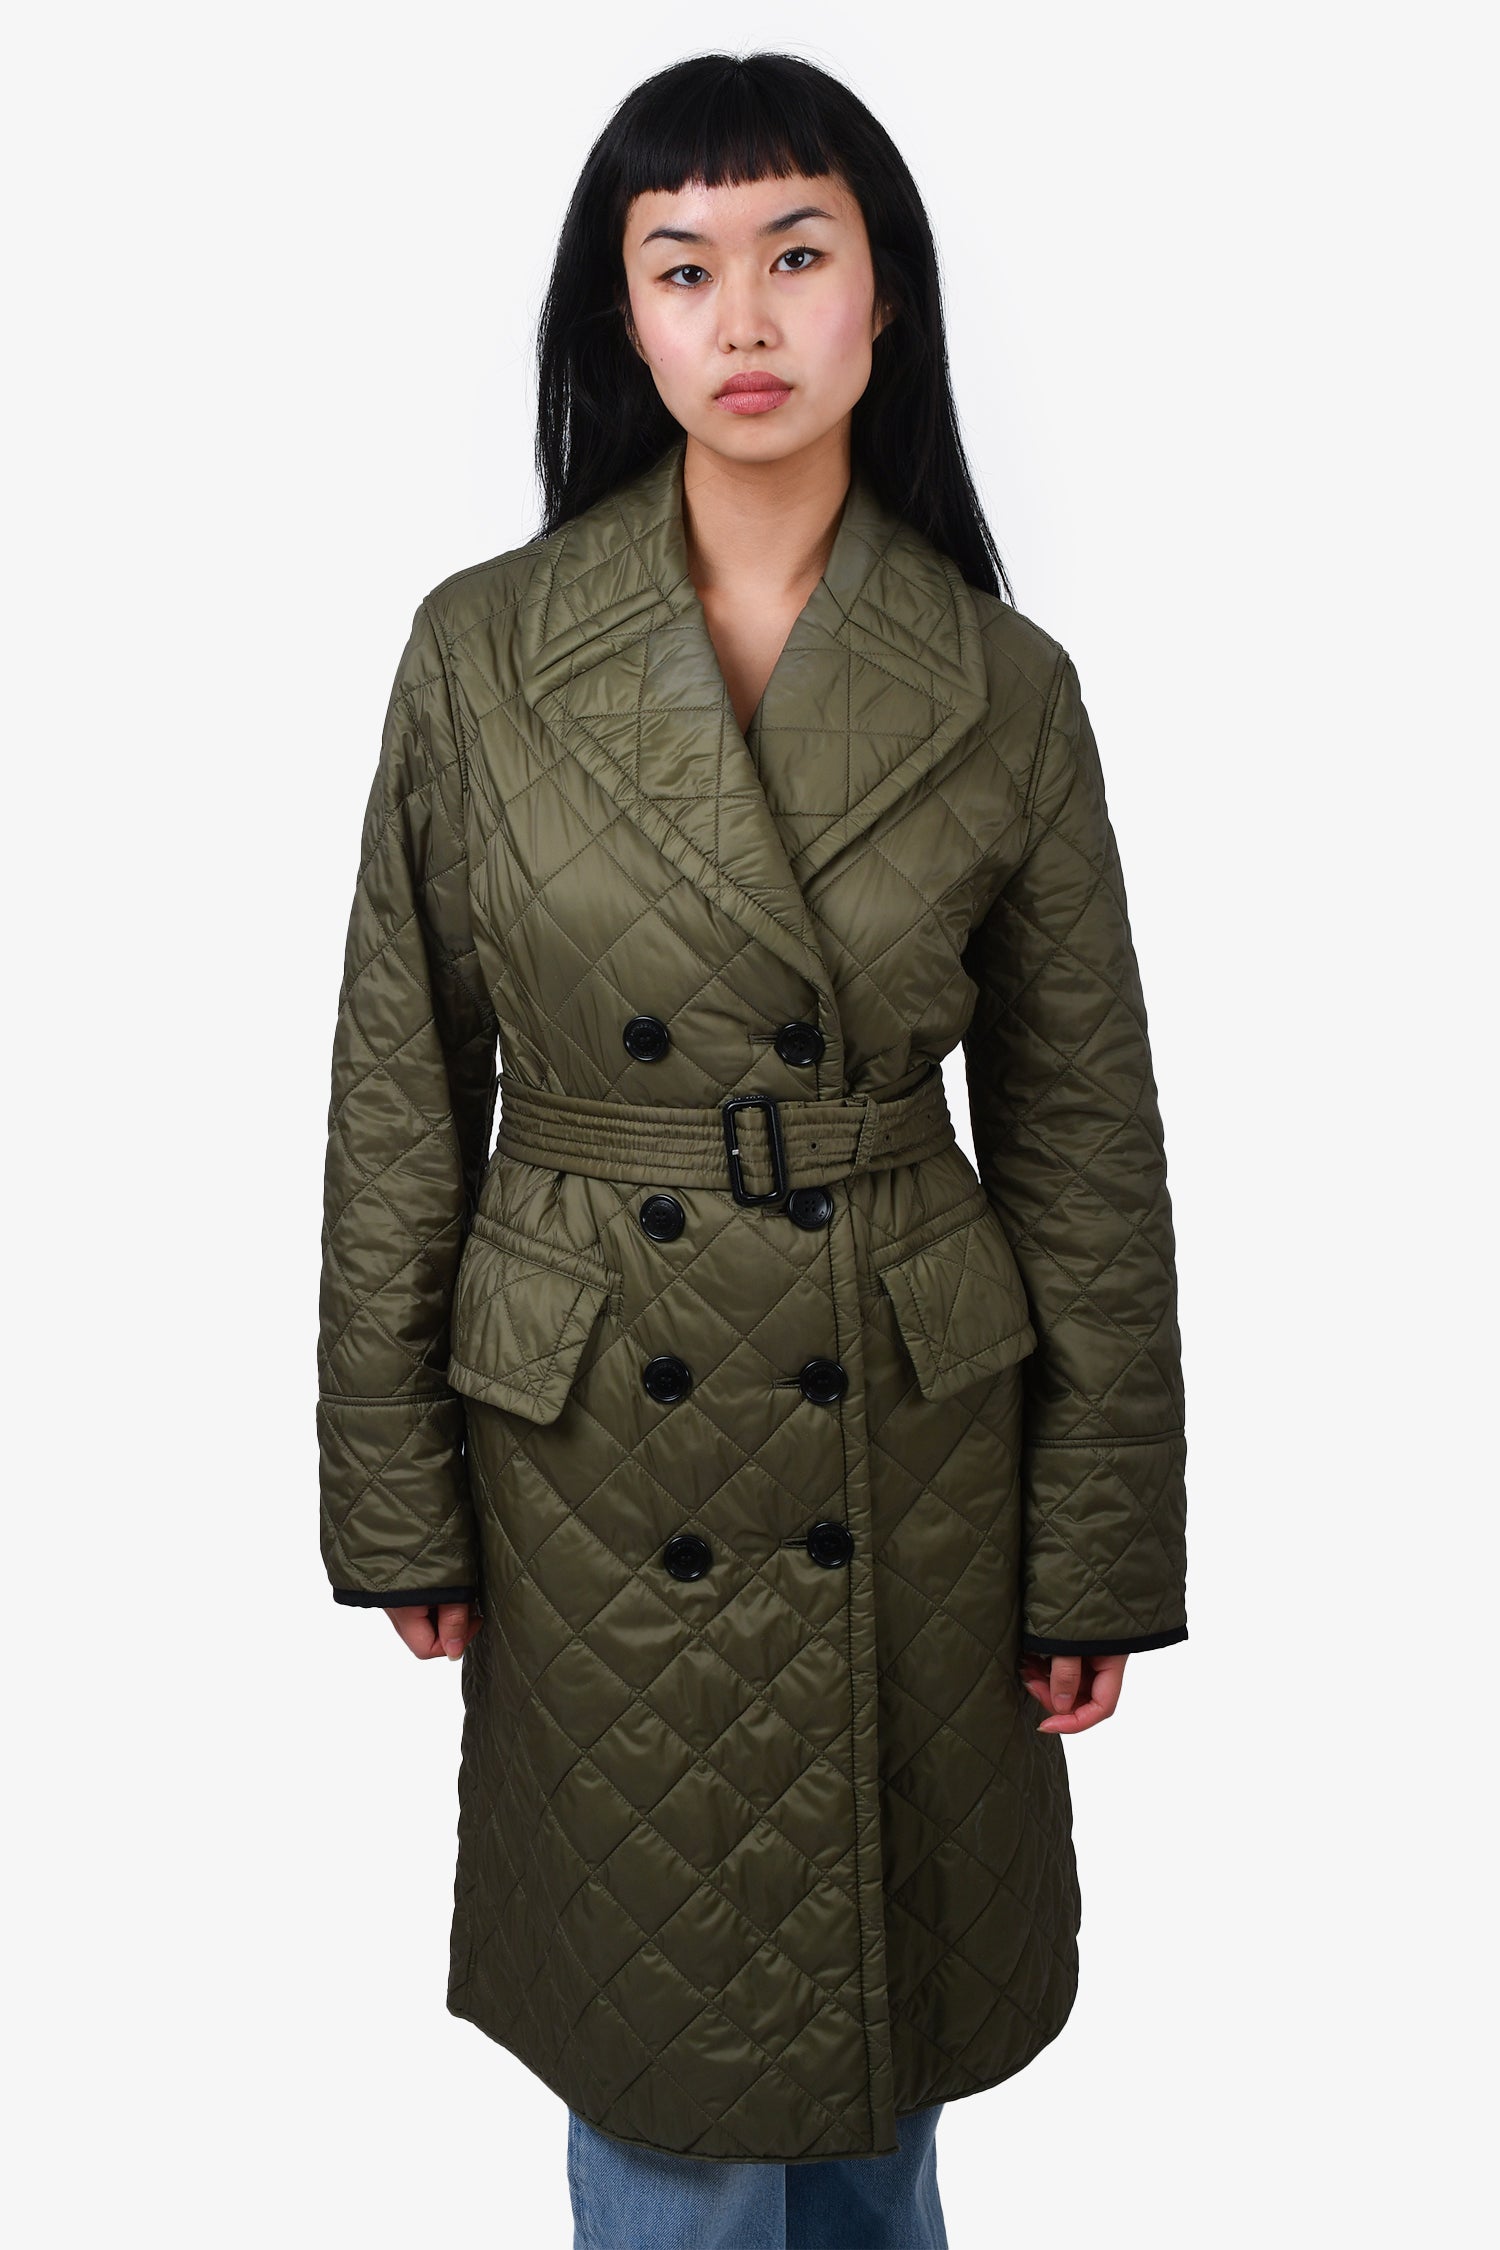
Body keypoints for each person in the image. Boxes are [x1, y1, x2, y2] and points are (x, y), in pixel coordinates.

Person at [315, 50, 1188, 2250]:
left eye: (799, 253)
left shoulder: (1001, 686)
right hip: (597, 1444)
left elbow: (1085, 1145)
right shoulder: (482, 655)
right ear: (623, 320)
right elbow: (401, 1091)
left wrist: (1097, 1544)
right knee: (674, 2076)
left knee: (884, 2062)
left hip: (909, 1431)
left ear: (885, 299)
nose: (748, 316)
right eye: (684, 266)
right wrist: (393, 1480)